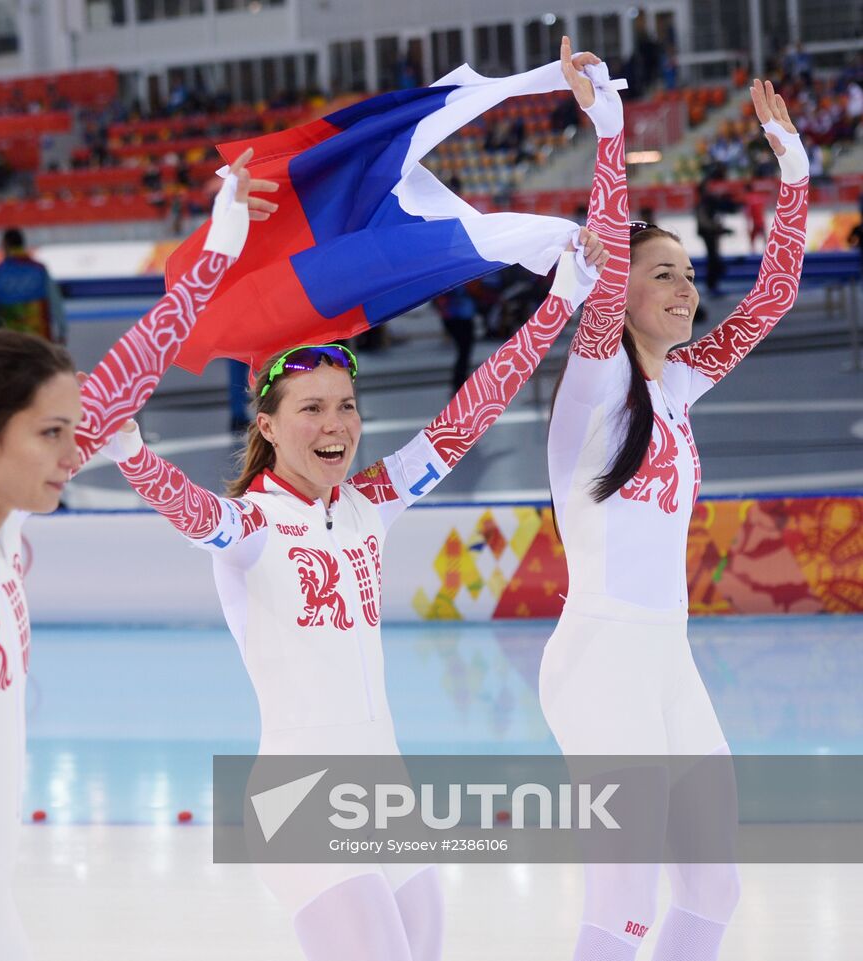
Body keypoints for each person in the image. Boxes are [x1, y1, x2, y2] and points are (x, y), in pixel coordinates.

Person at [99, 41, 615, 961]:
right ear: (268, 424)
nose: (334, 425)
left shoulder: (368, 503)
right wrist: (133, 450)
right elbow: (189, 509)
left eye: (344, 407)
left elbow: (466, 418)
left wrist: (552, 310)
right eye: (310, 411)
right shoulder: (252, 524)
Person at [0, 150, 278, 961]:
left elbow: (136, 367)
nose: (74, 451)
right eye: (52, 434)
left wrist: (219, 242)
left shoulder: (1, 532)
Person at [541, 78, 806, 961]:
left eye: (690, 274)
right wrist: (609, 134)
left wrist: (794, 173)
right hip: (598, 661)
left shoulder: (680, 384)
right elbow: (611, 261)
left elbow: (770, 297)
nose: (685, 288)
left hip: (666, 657)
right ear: (621, 292)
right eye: (664, 273)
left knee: (713, 887)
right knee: (626, 892)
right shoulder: (593, 381)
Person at [0, 226, 66, 343]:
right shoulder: (39, 269)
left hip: (10, 341)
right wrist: (62, 330)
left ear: (5, 245)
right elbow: (56, 301)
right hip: (39, 341)